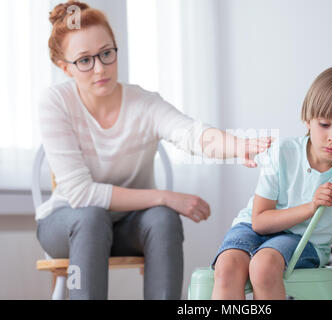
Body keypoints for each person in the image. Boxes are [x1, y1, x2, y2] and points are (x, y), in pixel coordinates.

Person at [36, 1, 271, 300]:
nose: (100, 68)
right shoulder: (55, 102)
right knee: (92, 217)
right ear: (65, 67)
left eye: (107, 53)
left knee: (162, 218)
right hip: (68, 225)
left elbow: (191, 133)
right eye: (85, 60)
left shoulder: (143, 103)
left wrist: (238, 146)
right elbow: (82, 195)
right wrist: (164, 196)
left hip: (127, 227)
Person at [211, 66, 332, 300]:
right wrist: (310, 207)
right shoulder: (283, 152)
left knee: (263, 266)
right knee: (227, 266)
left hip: (303, 241)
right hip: (254, 227)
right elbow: (259, 222)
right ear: (307, 120)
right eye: (324, 124)